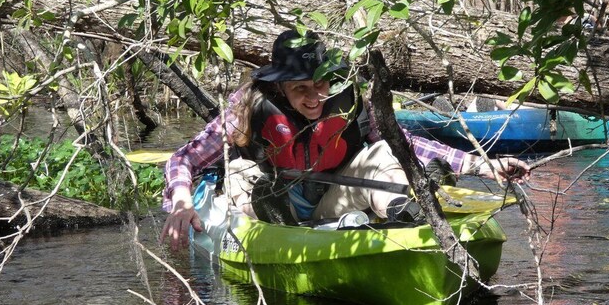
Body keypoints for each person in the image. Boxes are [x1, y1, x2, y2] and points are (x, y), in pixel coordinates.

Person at [161, 29, 530, 245]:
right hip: (273, 196)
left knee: (384, 153)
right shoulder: (248, 107)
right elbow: (184, 159)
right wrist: (180, 202)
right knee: (241, 170)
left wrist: (479, 165)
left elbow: (405, 142)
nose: (313, 96)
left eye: (321, 83)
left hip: (332, 195)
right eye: (300, 88)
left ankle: (405, 215)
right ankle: (280, 223)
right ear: (280, 87)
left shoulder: (349, 100)